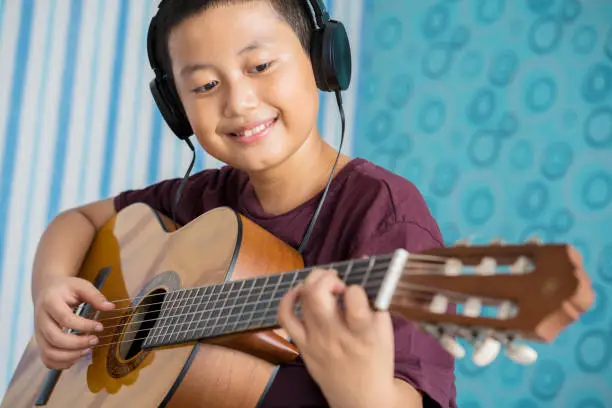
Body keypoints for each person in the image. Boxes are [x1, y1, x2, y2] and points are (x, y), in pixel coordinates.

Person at [30, 0, 457, 407]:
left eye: (260, 66)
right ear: (176, 108)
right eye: (205, 86)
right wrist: (50, 286)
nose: (238, 103)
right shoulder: (201, 201)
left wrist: (360, 392)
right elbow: (79, 219)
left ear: (320, 59)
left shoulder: (385, 215)